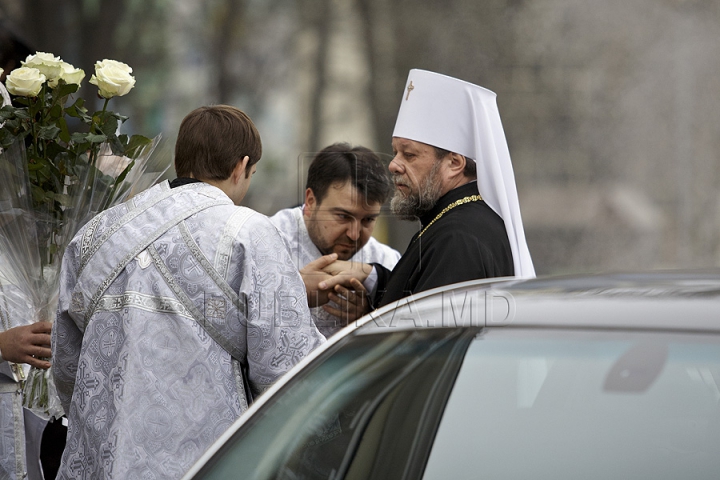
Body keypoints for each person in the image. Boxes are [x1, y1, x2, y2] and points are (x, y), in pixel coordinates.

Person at [51, 105, 325, 479]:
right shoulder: (249, 233)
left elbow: (67, 361)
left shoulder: (97, 232)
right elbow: (285, 367)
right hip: (201, 462)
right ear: (240, 167)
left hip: (100, 458)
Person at [317, 69, 535, 309]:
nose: (393, 165)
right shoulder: (459, 222)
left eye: (409, 155)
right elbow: (420, 297)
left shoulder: (458, 239)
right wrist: (372, 279)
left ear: (454, 163)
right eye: (395, 152)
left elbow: (428, 340)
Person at [269, 143, 400, 337]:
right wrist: (292, 292)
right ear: (311, 202)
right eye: (343, 216)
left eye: (368, 220)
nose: (354, 235)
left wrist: (371, 316)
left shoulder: (386, 261)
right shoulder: (265, 243)